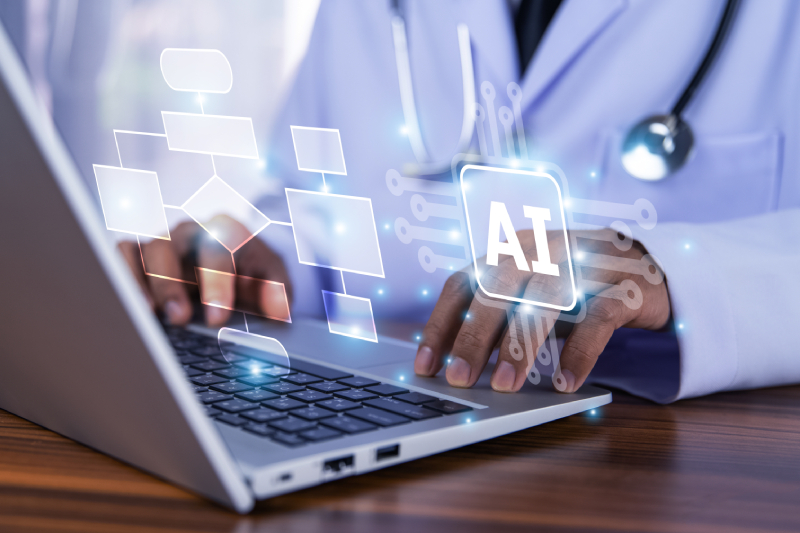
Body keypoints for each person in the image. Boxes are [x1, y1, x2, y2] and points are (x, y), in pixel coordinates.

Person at [21, 0, 800, 404]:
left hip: (664, 463)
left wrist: (682, 275)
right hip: (418, 409)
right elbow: (318, 185)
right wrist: (262, 257)